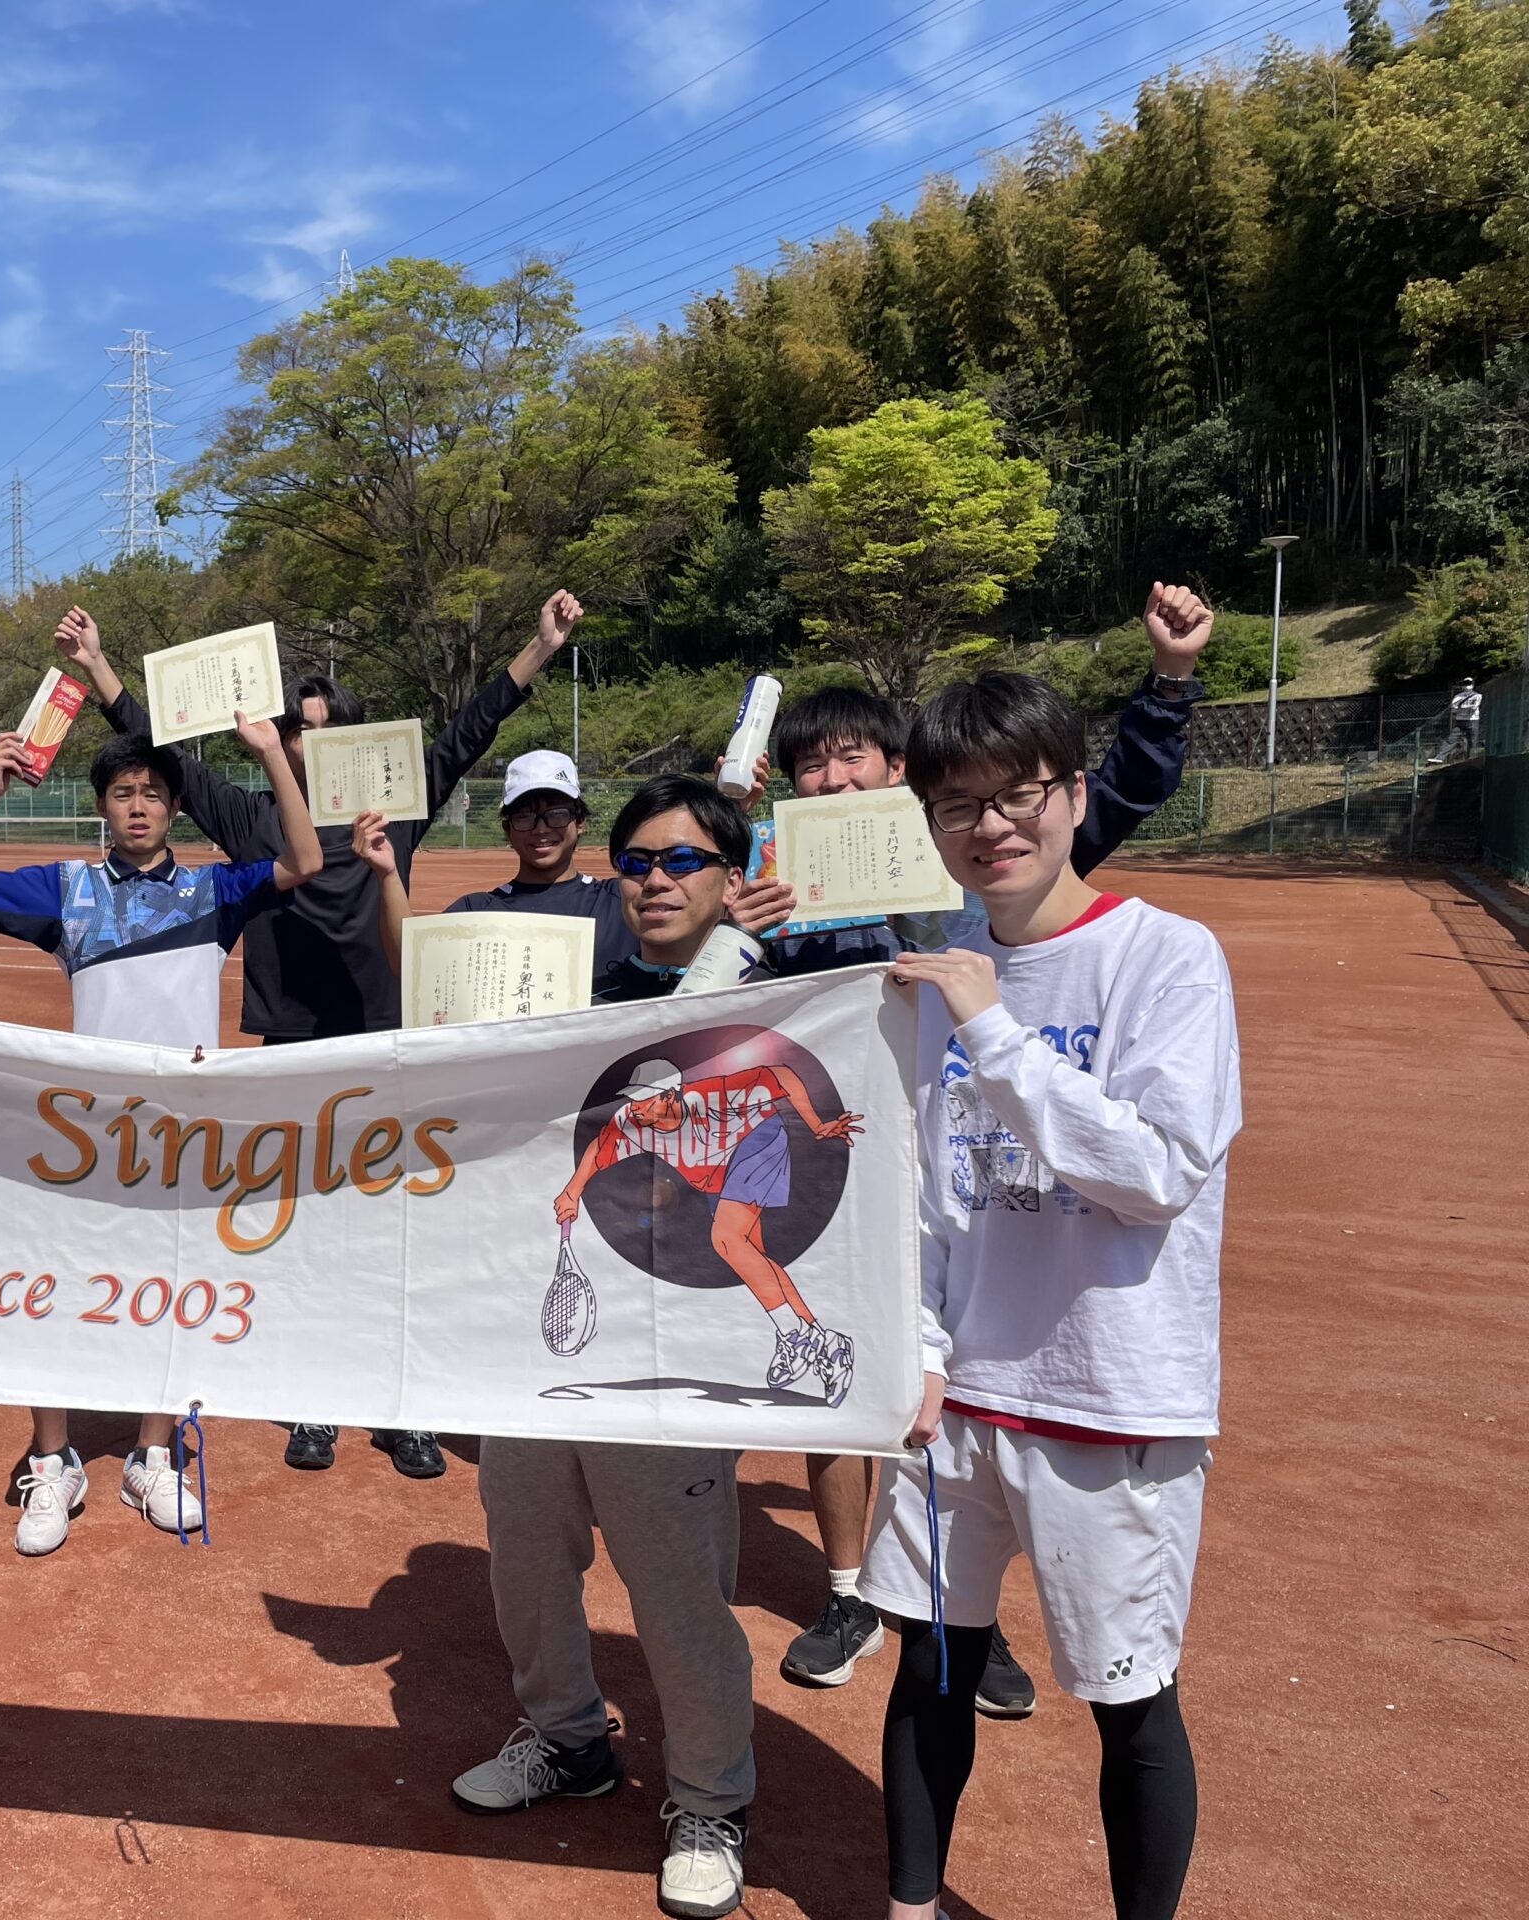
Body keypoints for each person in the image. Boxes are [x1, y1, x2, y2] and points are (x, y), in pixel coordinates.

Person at [733, 582, 1214, 1716]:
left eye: (851, 757)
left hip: (973, 1168)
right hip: (836, 1154)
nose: (831, 780)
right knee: (854, 1373)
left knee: (956, 1407)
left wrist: (1169, 685)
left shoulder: (975, 855)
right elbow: (735, 1017)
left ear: (899, 773)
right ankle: (856, 1592)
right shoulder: (778, 874)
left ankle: (971, 1623)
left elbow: (1106, 793)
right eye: (811, 765)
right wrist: (740, 933)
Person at [60, 592, 586, 1476]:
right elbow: (167, 755)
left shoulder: (397, 809)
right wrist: (100, 669)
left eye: (325, 730)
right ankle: (311, 1395)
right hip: (296, 1047)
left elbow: (472, 727)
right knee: (301, 1223)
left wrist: (539, 648)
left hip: (389, 1040)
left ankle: (404, 1404)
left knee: (395, 1226)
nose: (310, 745)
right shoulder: (253, 821)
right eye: (296, 732)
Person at [871, 671, 1241, 1920]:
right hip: (956, 1400)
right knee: (931, 1670)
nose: (989, 826)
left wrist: (996, 1035)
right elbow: (925, 1197)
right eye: (956, 804)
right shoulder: (941, 975)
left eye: (1015, 794)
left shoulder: (1168, 959)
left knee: (1128, 1701)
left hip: (1109, 1394)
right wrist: (923, 1352)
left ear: (1074, 794)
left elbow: (1157, 1172)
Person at [441, 774, 770, 1920]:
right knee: (527, 1558)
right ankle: (568, 1740)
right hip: (540, 1341)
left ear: (731, 876)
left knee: (678, 1589)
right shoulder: (579, 997)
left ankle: (710, 1799)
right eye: (637, 862)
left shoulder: (785, 1001)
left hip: (679, 1354)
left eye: (683, 861)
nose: (655, 881)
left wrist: (746, 955)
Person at [0, 714, 323, 1552]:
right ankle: (53, 1458)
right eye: (121, 793)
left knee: (171, 1291)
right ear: (101, 805)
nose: (137, 806)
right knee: (50, 1290)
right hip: (82, 1133)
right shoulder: (66, 888)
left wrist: (269, 756)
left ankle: (153, 1454)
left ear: (174, 807)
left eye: (152, 793)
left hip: (181, 1134)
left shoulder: (214, 891)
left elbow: (306, 860)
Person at [366, 748, 637, 989]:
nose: (541, 829)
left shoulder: (620, 900)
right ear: (507, 829)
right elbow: (411, 964)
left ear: (580, 823)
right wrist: (388, 873)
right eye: (524, 817)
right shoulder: (476, 911)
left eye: (557, 814)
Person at [1434, 677, 1482, 763]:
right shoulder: (1458, 696)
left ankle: (1471, 760)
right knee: (1451, 739)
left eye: (1468, 683)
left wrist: (1461, 708)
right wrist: (1464, 708)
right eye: (1465, 683)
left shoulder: (1477, 696)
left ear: (1473, 684)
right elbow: (1453, 708)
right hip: (1460, 720)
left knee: (1472, 741)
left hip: (1473, 720)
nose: (1466, 685)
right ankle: (1440, 757)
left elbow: (1474, 707)